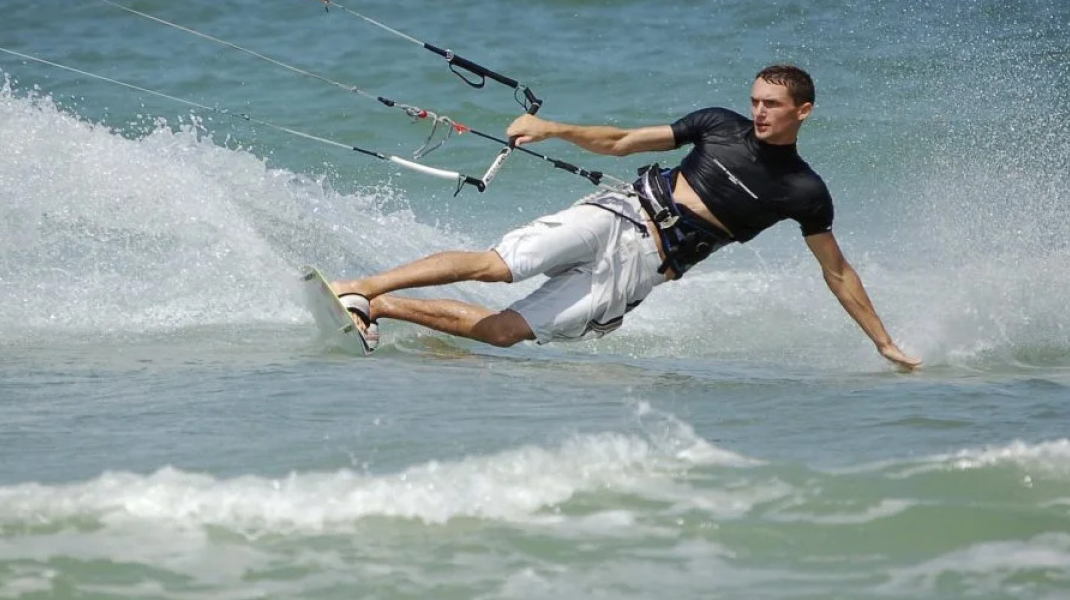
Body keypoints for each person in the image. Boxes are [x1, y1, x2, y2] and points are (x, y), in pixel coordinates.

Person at [333, 65, 920, 371]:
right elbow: (621, 142)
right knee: (496, 266)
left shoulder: (804, 190)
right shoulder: (718, 125)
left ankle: (379, 307)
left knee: (503, 333)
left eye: (772, 104)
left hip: (644, 269)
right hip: (620, 213)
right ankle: (360, 285)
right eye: (756, 100)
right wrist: (554, 127)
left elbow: (837, 272)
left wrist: (884, 342)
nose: (759, 112)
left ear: (803, 111)